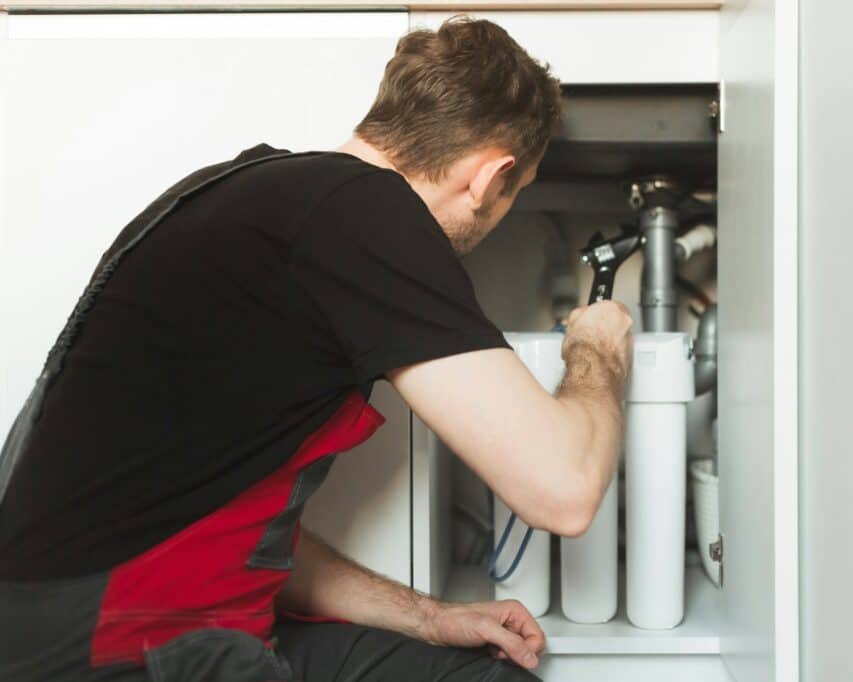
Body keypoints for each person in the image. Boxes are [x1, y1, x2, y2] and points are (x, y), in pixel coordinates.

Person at [0, 16, 632, 682]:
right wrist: (598, 351)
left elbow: (222, 533)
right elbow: (564, 491)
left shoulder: (244, 192)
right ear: (489, 176)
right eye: (515, 195)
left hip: (108, 631)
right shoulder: (365, 215)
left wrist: (430, 617)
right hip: (114, 654)